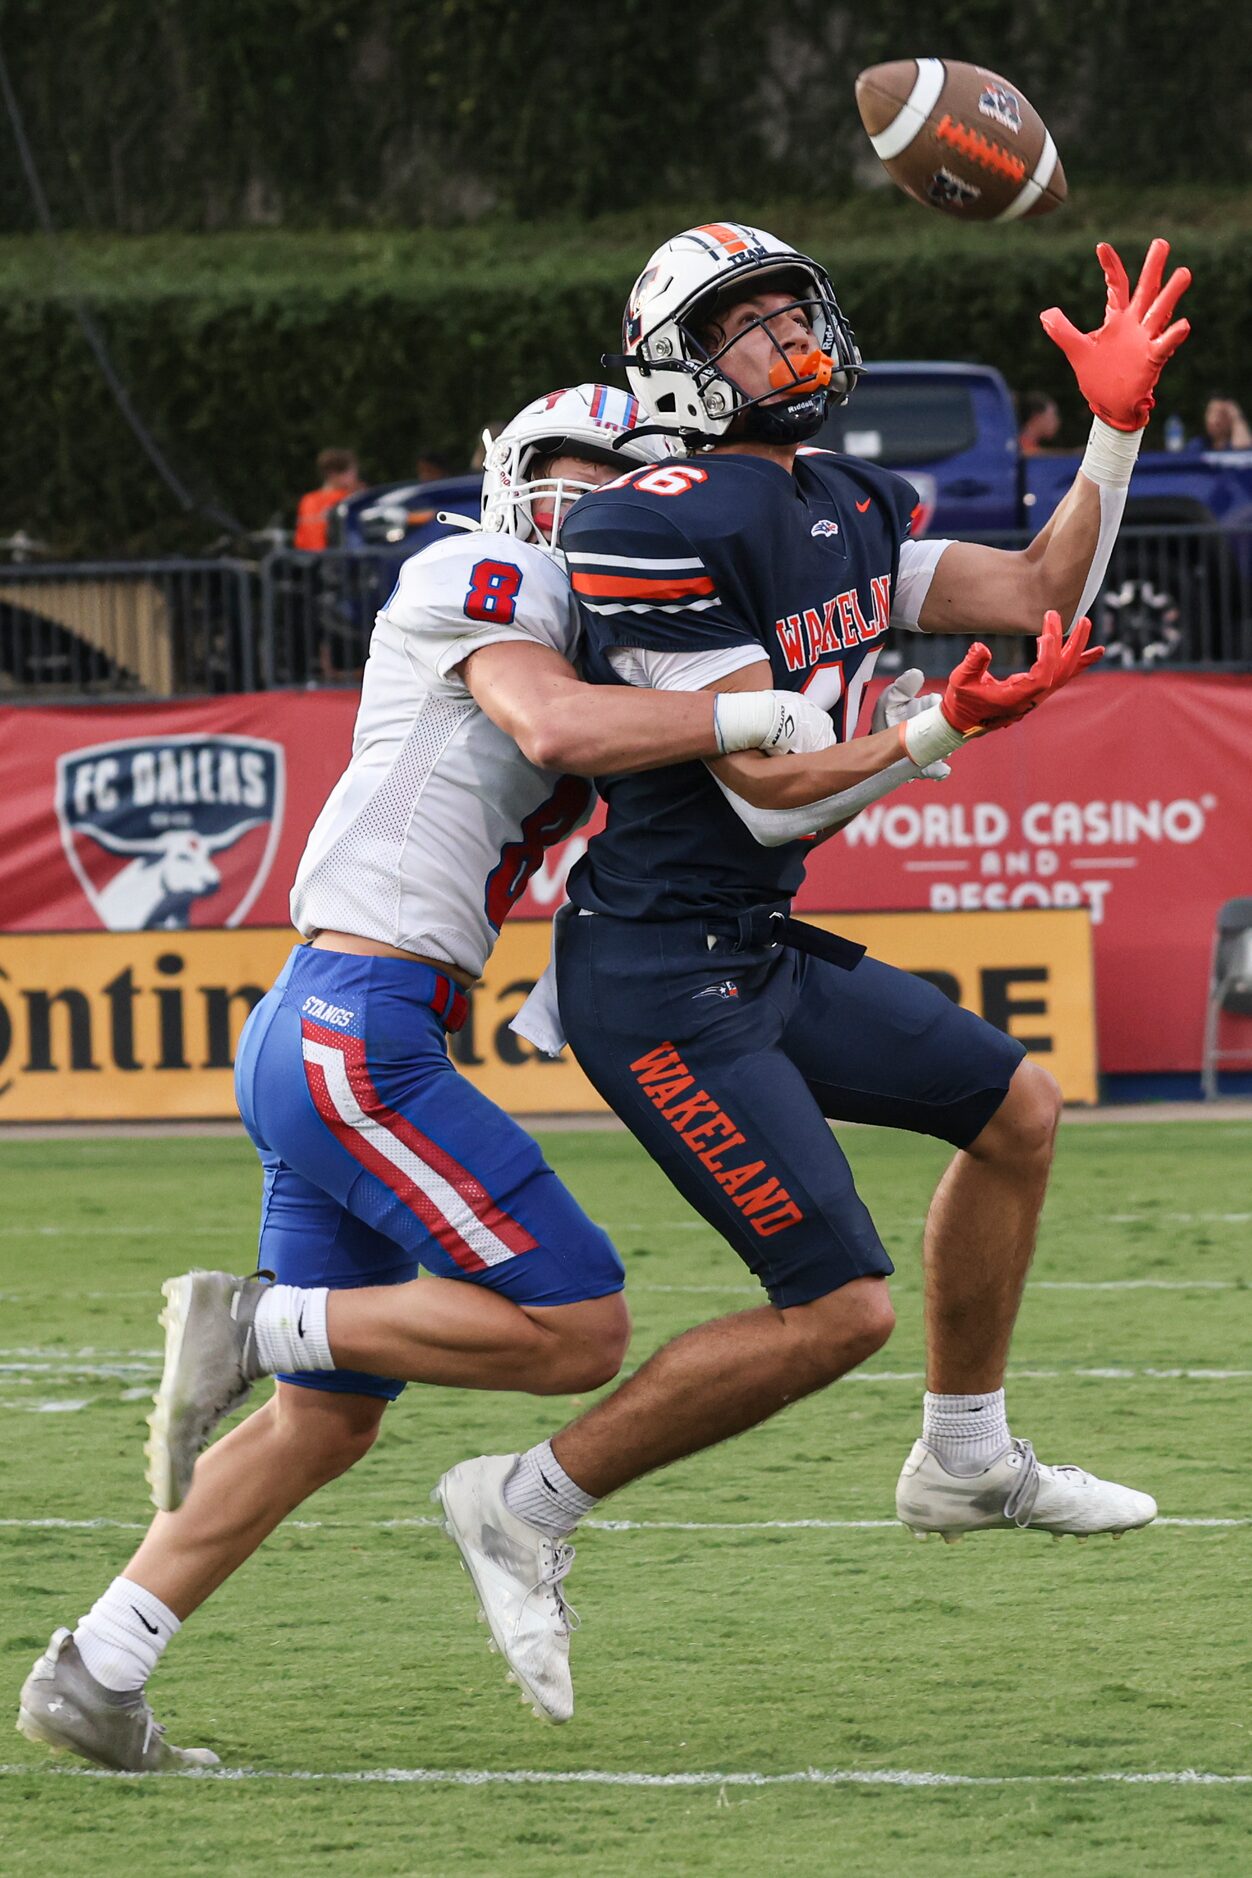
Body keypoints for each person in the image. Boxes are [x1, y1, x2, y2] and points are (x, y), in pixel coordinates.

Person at [423, 224, 1191, 1721]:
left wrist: (1113, 429)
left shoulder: (843, 497)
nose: (788, 340)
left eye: (793, 310)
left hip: (750, 946)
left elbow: (1042, 590)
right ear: (676, 370)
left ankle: (964, 1457)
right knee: (836, 1305)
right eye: (745, 323)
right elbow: (766, 787)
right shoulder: (651, 519)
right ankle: (522, 1495)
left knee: (1019, 1112)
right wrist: (944, 732)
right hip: (655, 977)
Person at [16, 383, 839, 1772]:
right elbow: (560, 732)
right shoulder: (485, 572)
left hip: (342, 1021)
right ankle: (257, 1320)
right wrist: (767, 702)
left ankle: (99, 1667)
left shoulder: (603, 630)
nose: (596, 500)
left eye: (624, 481)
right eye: (572, 473)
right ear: (516, 481)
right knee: (579, 1324)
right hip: (357, 1020)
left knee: (328, 1424)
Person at [293, 447, 365, 551]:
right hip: (336, 559)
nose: (355, 478)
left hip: (305, 560)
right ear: (334, 474)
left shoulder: (308, 500)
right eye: (352, 473)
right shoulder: (350, 499)